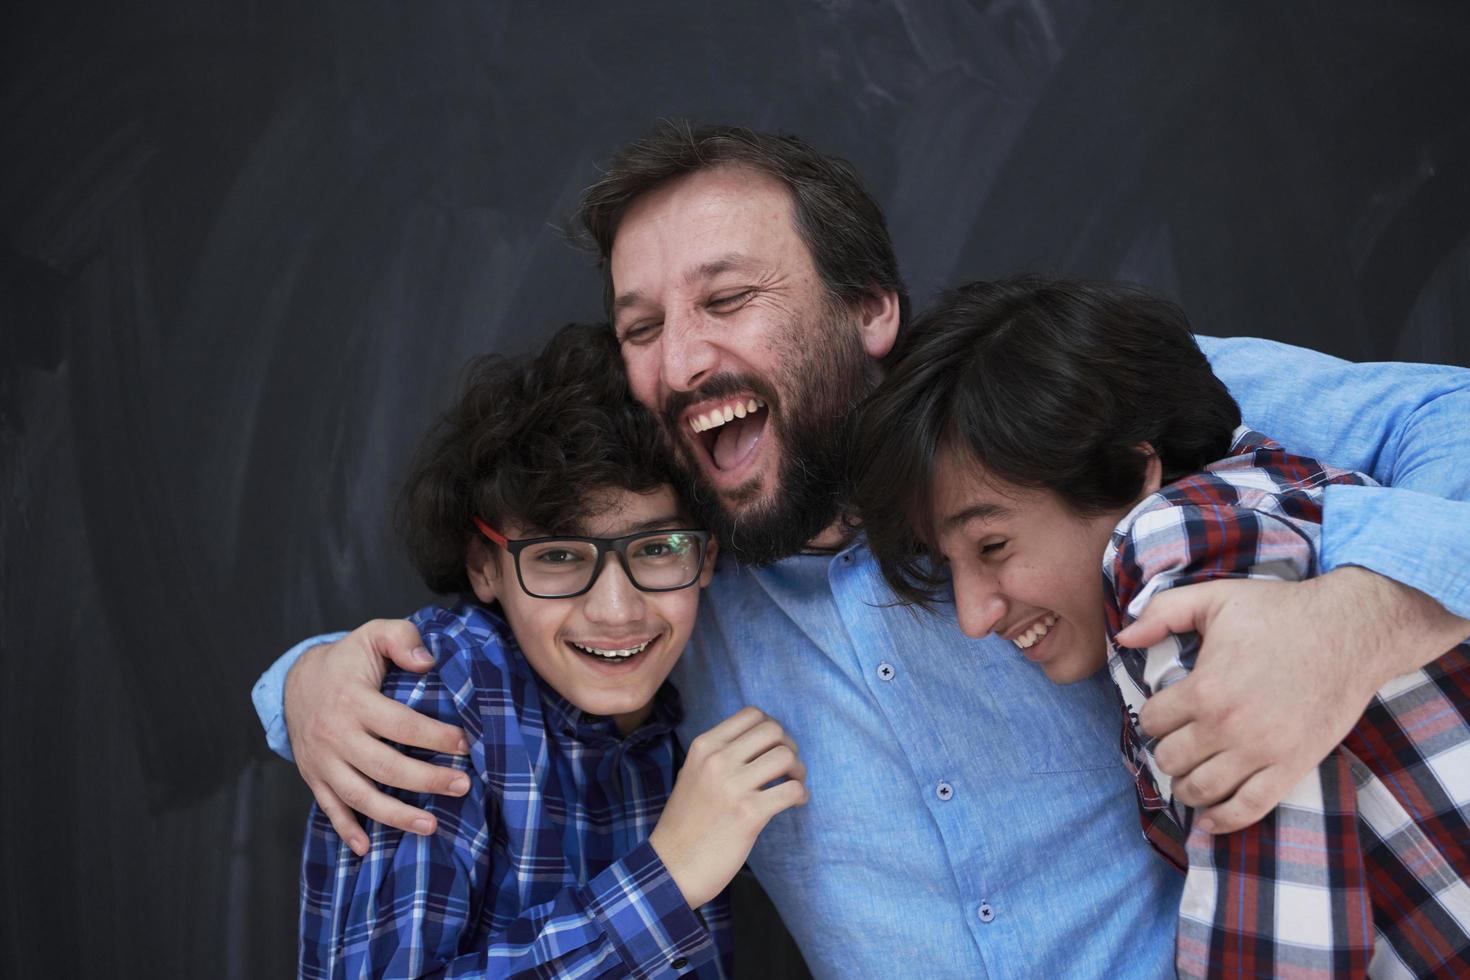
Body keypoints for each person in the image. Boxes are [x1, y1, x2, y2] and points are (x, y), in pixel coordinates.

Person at [255, 123, 1470, 976]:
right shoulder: (675, 589)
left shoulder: (1050, 416)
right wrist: (304, 684)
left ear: (869, 308)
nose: (679, 360)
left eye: (726, 300)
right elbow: (525, 617)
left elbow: (1448, 420)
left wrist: (1353, 622)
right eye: (643, 325)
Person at [852, 276, 1470, 978]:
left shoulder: (1167, 548)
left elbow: (1284, 952)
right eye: (949, 564)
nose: (972, 616)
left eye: (993, 547)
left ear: (1130, 468)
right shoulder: (1272, 491)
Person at [300, 322, 807, 978]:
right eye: (561, 557)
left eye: (656, 549)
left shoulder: (680, 717)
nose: (618, 611)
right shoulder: (438, 705)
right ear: (484, 566)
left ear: (705, 558)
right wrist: (666, 881)